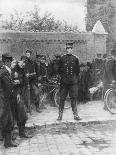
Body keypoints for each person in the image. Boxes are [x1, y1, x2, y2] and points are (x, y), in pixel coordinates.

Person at [57, 42, 81, 121]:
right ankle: (60, 115)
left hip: (73, 83)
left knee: (73, 98)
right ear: (66, 49)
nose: (69, 50)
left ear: (72, 49)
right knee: (62, 98)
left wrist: (74, 79)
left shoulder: (75, 58)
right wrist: (63, 77)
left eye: (70, 48)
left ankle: (76, 115)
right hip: (64, 83)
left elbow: (77, 71)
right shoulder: (62, 58)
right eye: (67, 48)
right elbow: (59, 70)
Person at [0, 53, 17, 148]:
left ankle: (8, 142)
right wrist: (15, 82)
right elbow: (8, 85)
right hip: (4, 99)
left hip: (6, 99)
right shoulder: (4, 72)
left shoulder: (6, 71)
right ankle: (7, 143)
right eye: (9, 61)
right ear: (6, 61)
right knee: (6, 120)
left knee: (8, 120)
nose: (10, 63)